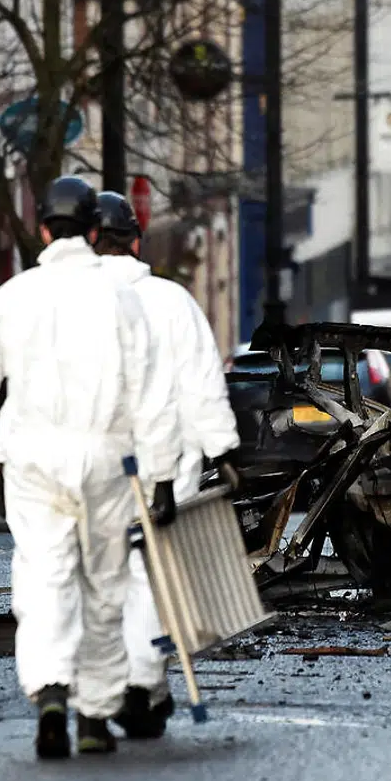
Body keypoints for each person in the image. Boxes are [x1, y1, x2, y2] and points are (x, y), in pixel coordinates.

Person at [0, 176, 180, 760]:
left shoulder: (15, 295)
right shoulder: (123, 300)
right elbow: (151, 393)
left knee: (44, 575)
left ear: (44, 229)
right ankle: (95, 716)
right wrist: (163, 473)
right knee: (104, 584)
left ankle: (49, 691)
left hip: (33, 458)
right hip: (106, 457)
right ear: (96, 231)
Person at [92, 191, 242, 740]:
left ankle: (110, 686)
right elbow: (202, 383)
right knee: (150, 572)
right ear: (136, 240)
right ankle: (144, 683)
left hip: (94, 458)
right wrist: (223, 449)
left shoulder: (70, 299)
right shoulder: (170, 300)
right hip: (166, 459)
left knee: (97, 571)